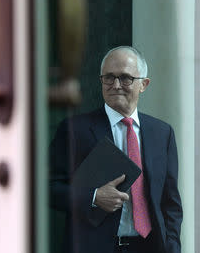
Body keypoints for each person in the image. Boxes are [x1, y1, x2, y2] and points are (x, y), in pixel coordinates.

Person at [50, 46, 183, 253]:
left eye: (126, 78)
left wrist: (173, 248)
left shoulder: (162, 133)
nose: (116, 85)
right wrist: (93, 197)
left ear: (143, 85)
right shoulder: (74, 130)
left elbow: (170, 203)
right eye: (109, 77)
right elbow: (47, 189)